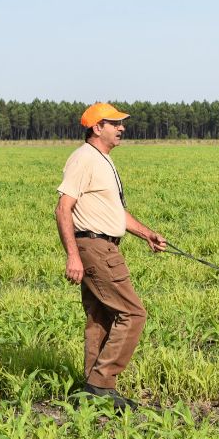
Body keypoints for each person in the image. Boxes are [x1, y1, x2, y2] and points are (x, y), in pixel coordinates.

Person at [55, 102, 167, 410]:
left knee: (100, 319)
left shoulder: (102, 160)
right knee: (133, 314)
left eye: (121, 123)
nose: (122, 128)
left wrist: (148, 234)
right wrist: (73, 256)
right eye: (114, 123)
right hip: (95, 248)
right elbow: (63, 208)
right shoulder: (84, 159)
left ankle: (92, 390)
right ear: (96, 128)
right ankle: (101, 384)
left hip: (101, 245)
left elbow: (114, 212)